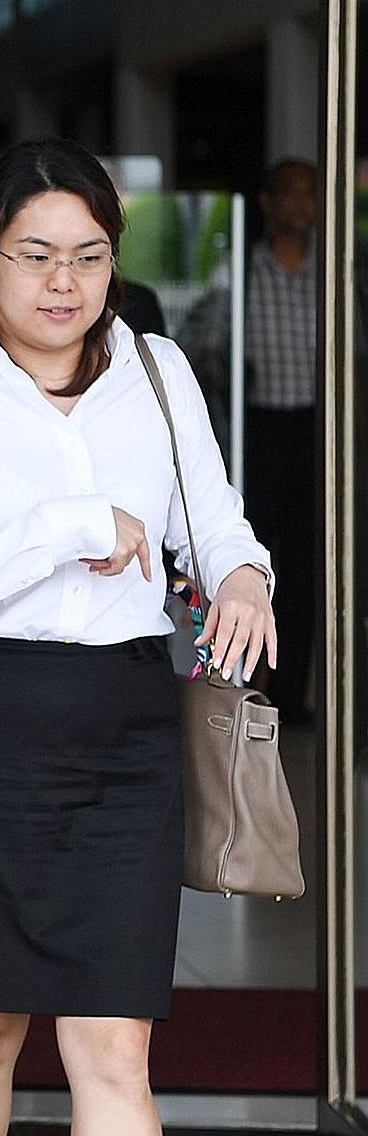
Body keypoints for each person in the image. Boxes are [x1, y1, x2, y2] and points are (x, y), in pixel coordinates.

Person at [0, 137, 275, 1136]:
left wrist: (244, 572)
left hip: (123, 733)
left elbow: (218, 524)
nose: (65, 284)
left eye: (89, 256)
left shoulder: (157, 370)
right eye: (36, 255)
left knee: (115, 1041)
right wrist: (76, 526)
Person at [244, 159, 317, 724]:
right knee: (251, 555)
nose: (301, 203)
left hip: (318, 431)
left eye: (310, 194)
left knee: (306, 560)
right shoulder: (244, 271)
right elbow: (208, 346)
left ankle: (291, 697)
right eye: (289, 193)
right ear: (267, 203)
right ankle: (244, 687)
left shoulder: (336, 269)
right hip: (260, 428)